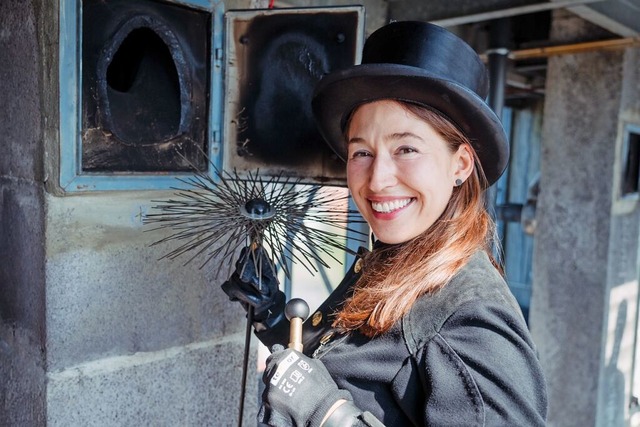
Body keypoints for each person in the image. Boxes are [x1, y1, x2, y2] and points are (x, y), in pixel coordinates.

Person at [222, 21, 548, 426]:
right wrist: (272, 316)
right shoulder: (396, 262)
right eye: (362, 153)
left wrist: (327, 415)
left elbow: (331, 401)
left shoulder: (469, 321)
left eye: (406, 148)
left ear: (460, 164)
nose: (377, 180)